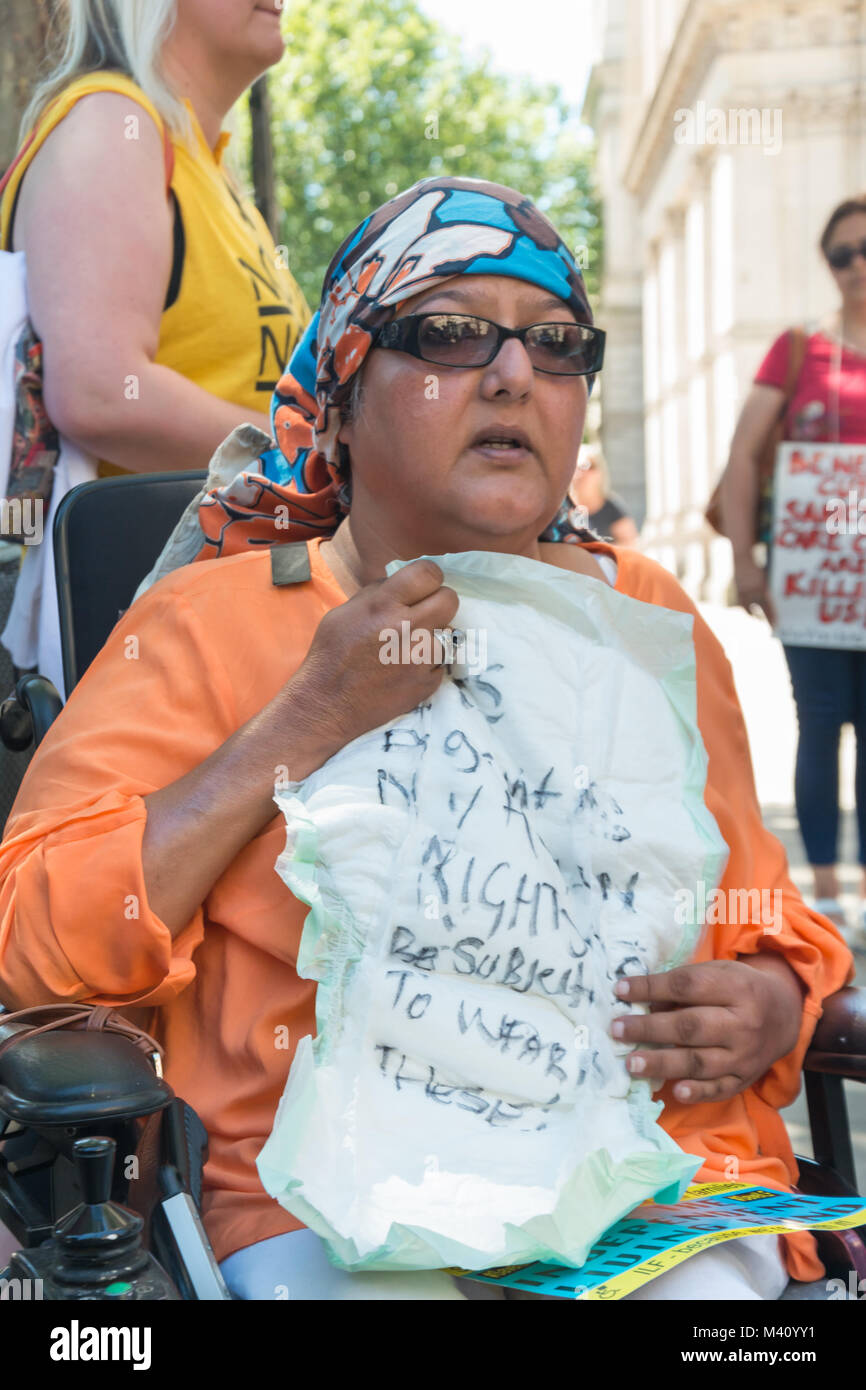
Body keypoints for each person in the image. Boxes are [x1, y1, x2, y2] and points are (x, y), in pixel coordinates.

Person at [0, 178, 852, 1302]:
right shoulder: (213, 621)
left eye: (556, 347)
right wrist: (301, 724)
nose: (512, 374)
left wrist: (777, 1002)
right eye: (449, 333)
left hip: (652, 1191)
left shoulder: (648, 621)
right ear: (343, 394)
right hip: (327, 1210)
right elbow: (29, 941)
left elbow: (756, 912)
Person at [0, 0, 310, 691]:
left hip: (238, 640)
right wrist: (324, 459)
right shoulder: (113, 122)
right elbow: (101, 391)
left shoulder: (211, 171)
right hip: (151, 655)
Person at [722, 195, 866, 937]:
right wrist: (747, 561)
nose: (856, 266)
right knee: (820, 720)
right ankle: (830, 887)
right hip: (814, 580)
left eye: (865, 249)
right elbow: (744, 454)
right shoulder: (802, 348)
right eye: (841, 254)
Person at [569, 441, 639, 545]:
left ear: (600, 472)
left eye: (589, 466)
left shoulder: (611, 507)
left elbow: (629, 542)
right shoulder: (563, 507)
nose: (583, 473)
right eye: (578, 467)